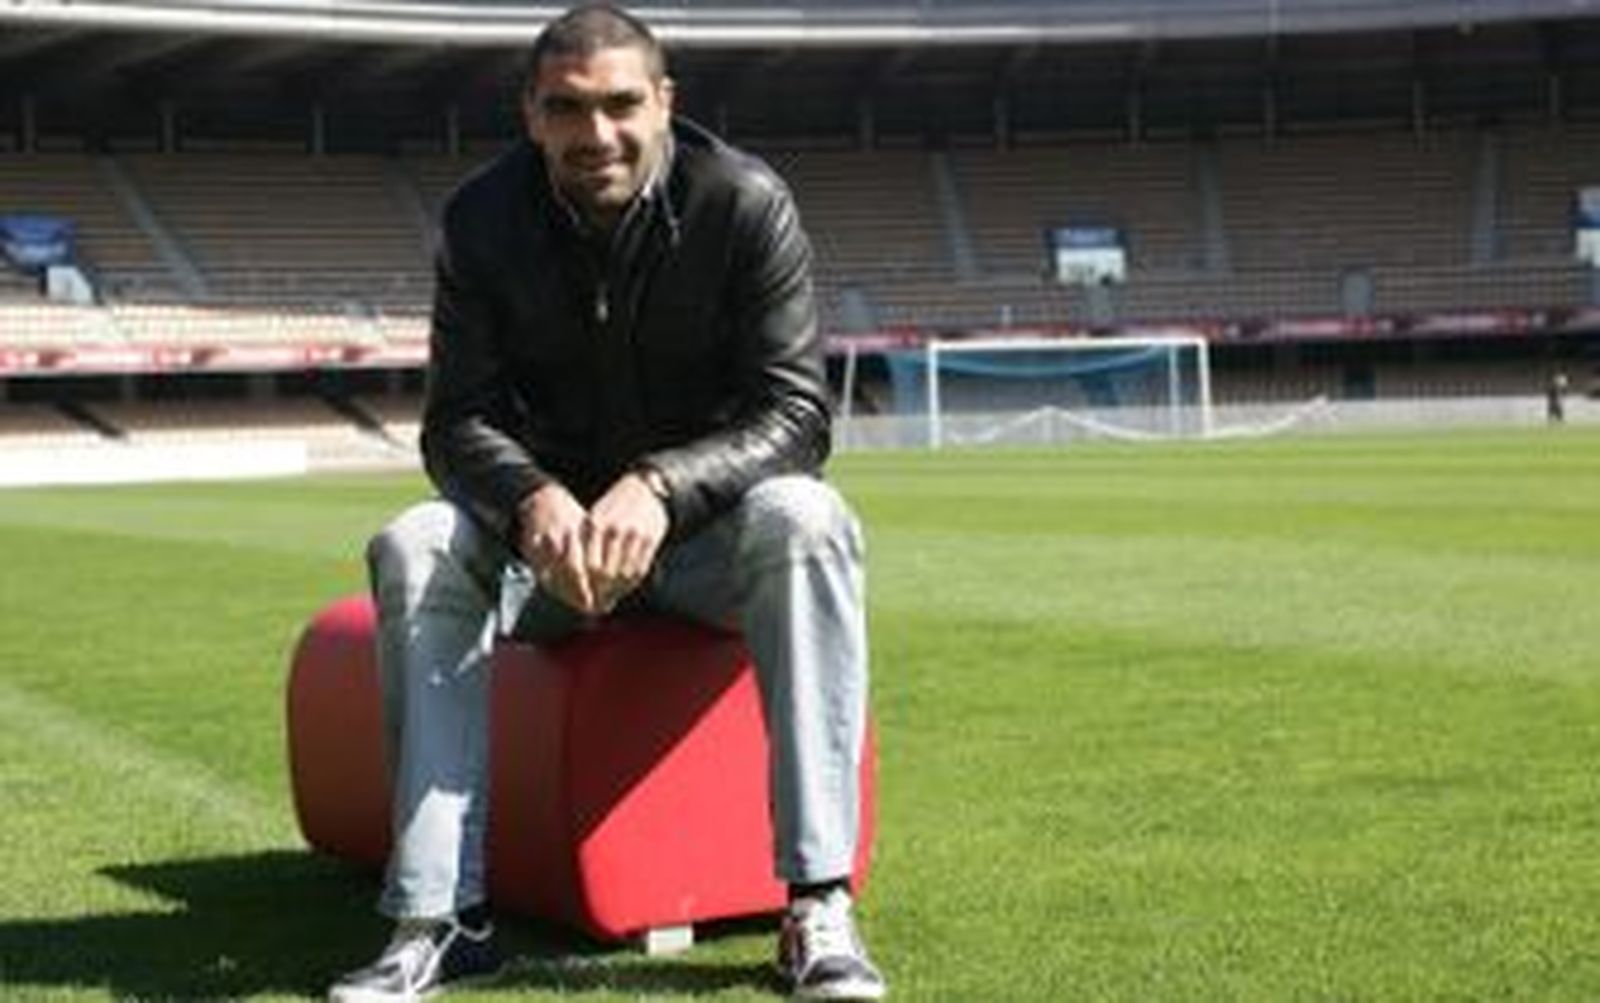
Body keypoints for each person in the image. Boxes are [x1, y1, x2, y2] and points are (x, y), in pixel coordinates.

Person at [326, 5, 885, 1002]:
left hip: (702, 549)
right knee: (414, 539)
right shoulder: (480, 221)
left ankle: (815, 904)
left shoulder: (744, 203)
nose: (597, 134)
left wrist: (663, 486)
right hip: (548, 558)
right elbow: (454, 423)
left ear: (665, 102)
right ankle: (438, 917)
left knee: (808, 517)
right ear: (530, 115)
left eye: (622, 104)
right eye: (567, 109)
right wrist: (530, 500)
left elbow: (797, 413)